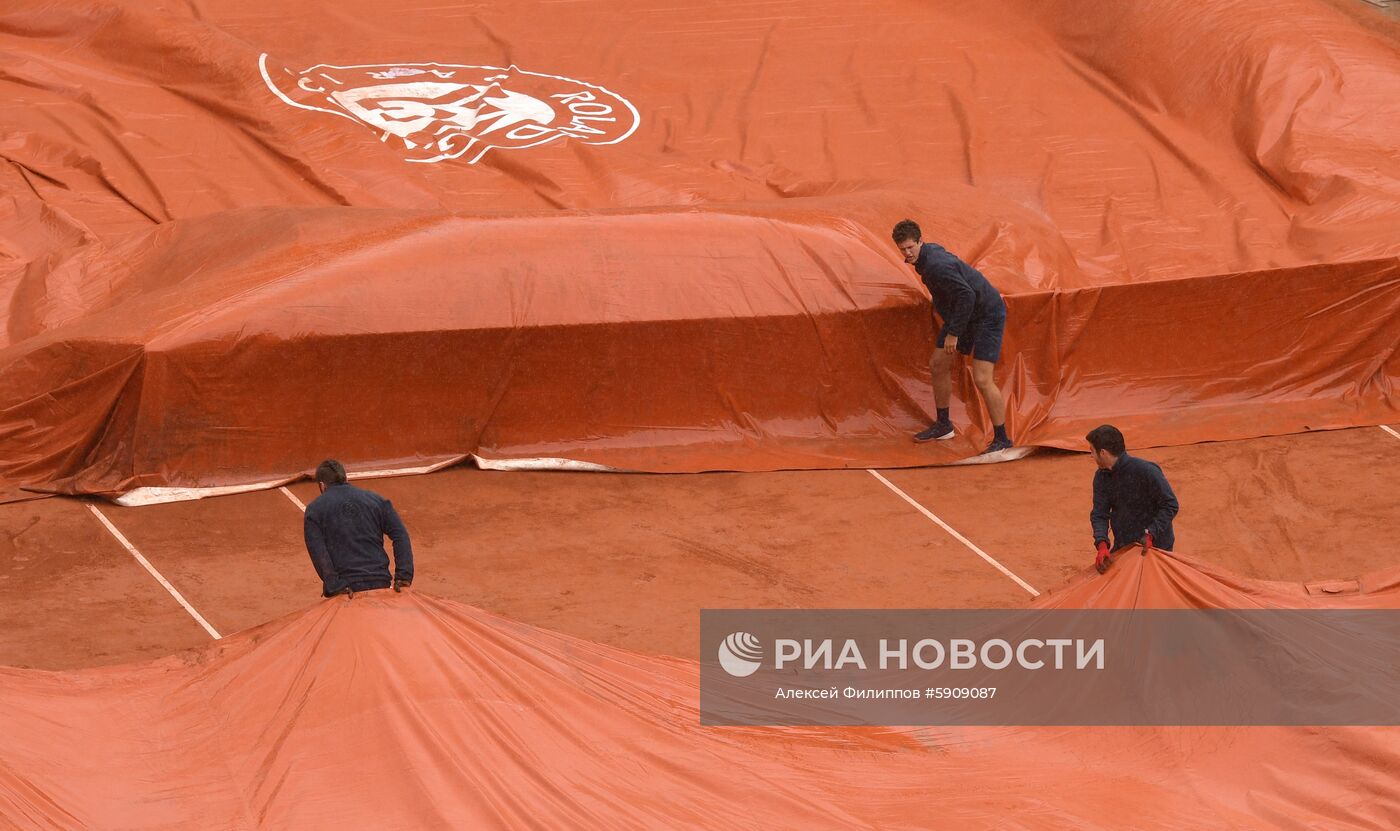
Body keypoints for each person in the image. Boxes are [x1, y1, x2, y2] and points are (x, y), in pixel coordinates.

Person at [891, 219, 1012, 454]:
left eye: (910, 247)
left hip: (986, 314)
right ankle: (944, 425)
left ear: (920, 241)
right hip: (963, 314)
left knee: (982, 378)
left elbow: (966, 295)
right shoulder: (926, 257)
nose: (907, 253)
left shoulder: (936, 265)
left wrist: (953, 334)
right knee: (938, 364)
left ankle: (1002, 439)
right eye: (902, 249)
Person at [303, 459, 414, 597]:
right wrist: (404, 576)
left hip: (346, 589)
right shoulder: (375, 500)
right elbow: (400, 535)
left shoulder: (315, 510)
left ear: (322, 486)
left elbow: (319, 553)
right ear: (346, 478)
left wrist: (335, 586)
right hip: (380, 582)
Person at [1086, 425, 1179, 573]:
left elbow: (1170, 505)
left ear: (1102, 453)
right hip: (1125, 548)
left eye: (1092, 451)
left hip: (1156, 548)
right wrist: (1102, 543)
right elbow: (1099, 514)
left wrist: (1152, 533)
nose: (1091, 455)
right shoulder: (1101, 477)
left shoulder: (1147, 471)